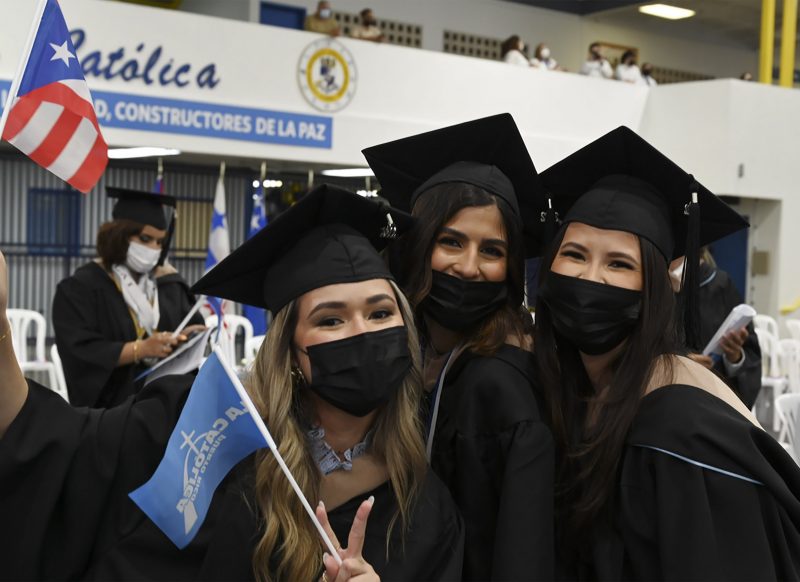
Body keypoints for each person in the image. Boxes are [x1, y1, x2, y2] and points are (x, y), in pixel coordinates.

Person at [0, 185, 464, 580]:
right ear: (291, 352)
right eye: (330, 320)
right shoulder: (206, 430)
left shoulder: (425, 507)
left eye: (380, 313)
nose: (361, 332)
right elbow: (53, 445)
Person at [536, 126, 800, 580]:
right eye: (575, 254)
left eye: (619, 263)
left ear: (655, 290)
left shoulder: (681, 431)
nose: (591, 277)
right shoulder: (569, 391)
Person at [364, 113, 554, 581]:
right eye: (451, 242)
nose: (469, 267)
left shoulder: (501, 386)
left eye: (492, 251)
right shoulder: (411, 356)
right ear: (417, 245)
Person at [52, 188, 204, 407]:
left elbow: (188, 326)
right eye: (145, 238)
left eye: (160, 242)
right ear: (119, 235)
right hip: (111, 411)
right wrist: (141, 349)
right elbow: (80, 351)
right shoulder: (81, 288)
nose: (154, 249)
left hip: (164, 405)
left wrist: (186, 338)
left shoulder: (168, 284)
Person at [670, 248, 763, 409]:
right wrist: (676, 363)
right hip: (662, 405)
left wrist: (734, 357)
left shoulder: (720, 285)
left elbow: (749, 356)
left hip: (711, 406)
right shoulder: (643, 285)